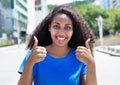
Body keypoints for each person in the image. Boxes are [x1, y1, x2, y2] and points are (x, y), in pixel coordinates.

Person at [17, 4, 97, 85]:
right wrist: (30, 61)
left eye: (67, 27)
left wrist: (91, 64)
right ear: (49, 27)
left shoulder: (80, 57)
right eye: (56, 26)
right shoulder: (35, 55)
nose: (61, 33)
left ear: (73, 30)